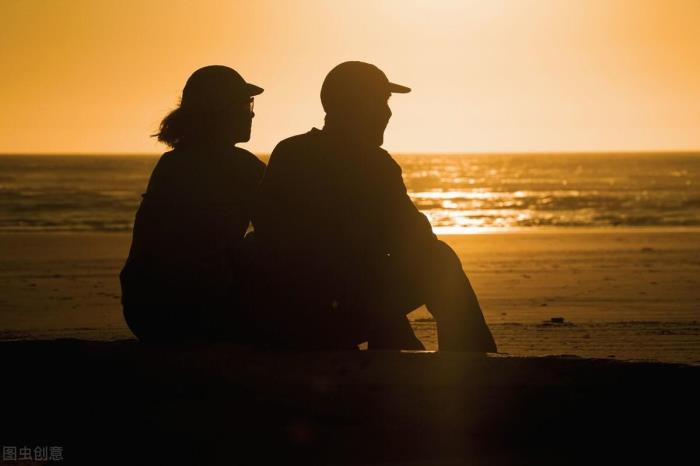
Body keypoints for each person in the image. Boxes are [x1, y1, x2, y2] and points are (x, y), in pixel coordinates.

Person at [252, 61, 497, 352]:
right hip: (331, 309)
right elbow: (415, 238)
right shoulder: (374, 164)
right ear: (357, 107)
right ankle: (471, 362)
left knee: (375, 274)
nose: (387, 112)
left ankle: (399, 347)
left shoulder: (290, 151)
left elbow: (265, 223)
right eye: (380, 102)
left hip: (289, 307)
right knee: (440, 260)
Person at [120, 65, 266, 343]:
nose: (252, 112)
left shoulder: (171, 164)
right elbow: (280, 232)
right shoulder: (242, 167)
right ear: (220, 111)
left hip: (144, 314)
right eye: (245, 104)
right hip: (200, 314)